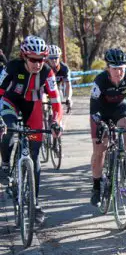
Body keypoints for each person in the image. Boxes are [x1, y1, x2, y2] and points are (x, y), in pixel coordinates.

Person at [0, 36, 63, 223]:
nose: (38, 63)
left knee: (34, 156)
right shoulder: (12, 67)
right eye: (33, 59)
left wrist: (56, 121)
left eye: (41, 59)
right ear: (24, 57)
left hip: (33, 106)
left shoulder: (47, 72)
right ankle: (5, 165)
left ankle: (34, 204)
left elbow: (56, 101)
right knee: (11, 128)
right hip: (11, 102)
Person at [89, 48, 126, 206]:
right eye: (114, 68)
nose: (118, 72)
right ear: (108, 68)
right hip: (100, 112)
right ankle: (96, 186)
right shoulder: (99, 81)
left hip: (120, 109)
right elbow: (93, 108)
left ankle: (124, 164)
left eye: (121, 68)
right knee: (99, 150)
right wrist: (99, 123)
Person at [46, 45, 72, 119]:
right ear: (47, 59)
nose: (54, 60)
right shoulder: (43, 67)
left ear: (59, 58)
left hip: (57, 88)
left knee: (59, 97)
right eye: (51, 58)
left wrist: (68, 98)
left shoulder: (64, 68)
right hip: (44, 89)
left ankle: (57, 120)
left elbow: (68, 85)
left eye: (56, 58)